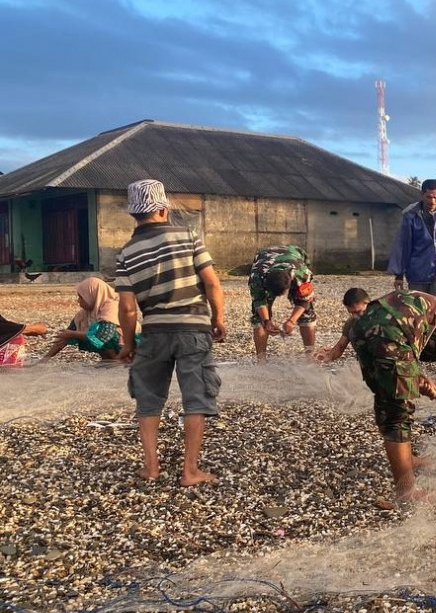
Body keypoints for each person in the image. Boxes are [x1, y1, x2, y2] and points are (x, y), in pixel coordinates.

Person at [115, 179, 226, 487]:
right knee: (196, 397)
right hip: (193, 329)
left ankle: (151, 467)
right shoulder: (188, 236)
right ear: (163, 209)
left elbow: (126, 309)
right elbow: (212, 284)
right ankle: (190, 471)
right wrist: (218, 319)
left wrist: (128, 344)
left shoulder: (126, 253)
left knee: (148, 400)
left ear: (134, 215)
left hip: (153, 333)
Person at [350, 290, 436, 501]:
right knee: (398, 411)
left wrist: (418, 378)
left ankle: (407, 458)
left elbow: (409, 345)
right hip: (390, 330)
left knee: (386, 398)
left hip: (364, 325)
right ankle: (407, 493)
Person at [389, 179, 436, 302]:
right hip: (418, 274)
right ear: (422, 195)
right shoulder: (411, 217)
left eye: (435, 197)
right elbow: (402, 246)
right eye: (428, 197)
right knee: (419, 312)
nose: (432, 201)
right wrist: (399, 275)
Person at [248, 244, 317, 362]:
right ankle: (261, 361)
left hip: (295, 254)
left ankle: (310, 358)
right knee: (258, 318)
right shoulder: (257, 276)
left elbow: (305, 300)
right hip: (264, 258)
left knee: (307, 313)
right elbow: (259, 300)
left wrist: (292, 320)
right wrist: (266, 321)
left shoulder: (302, 273)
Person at [41, 277, 132, 362]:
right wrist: (45, 359)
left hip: (129, 350)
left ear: (92, 294)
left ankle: (116, 361)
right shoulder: (83, 315)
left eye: (81, 297)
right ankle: (109, 361)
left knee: (99, 331)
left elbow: (105, 335)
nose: (78, 301)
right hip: (110, 354)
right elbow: (65, 337)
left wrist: (73, 334)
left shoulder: (112, 306)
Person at [315, 288, 371, 363]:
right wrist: (326, 358)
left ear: (368, 303)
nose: (355, 316)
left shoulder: (385, 318)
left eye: (358, 312)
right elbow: (340, 347)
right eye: (351, 313)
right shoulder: (352, 322)